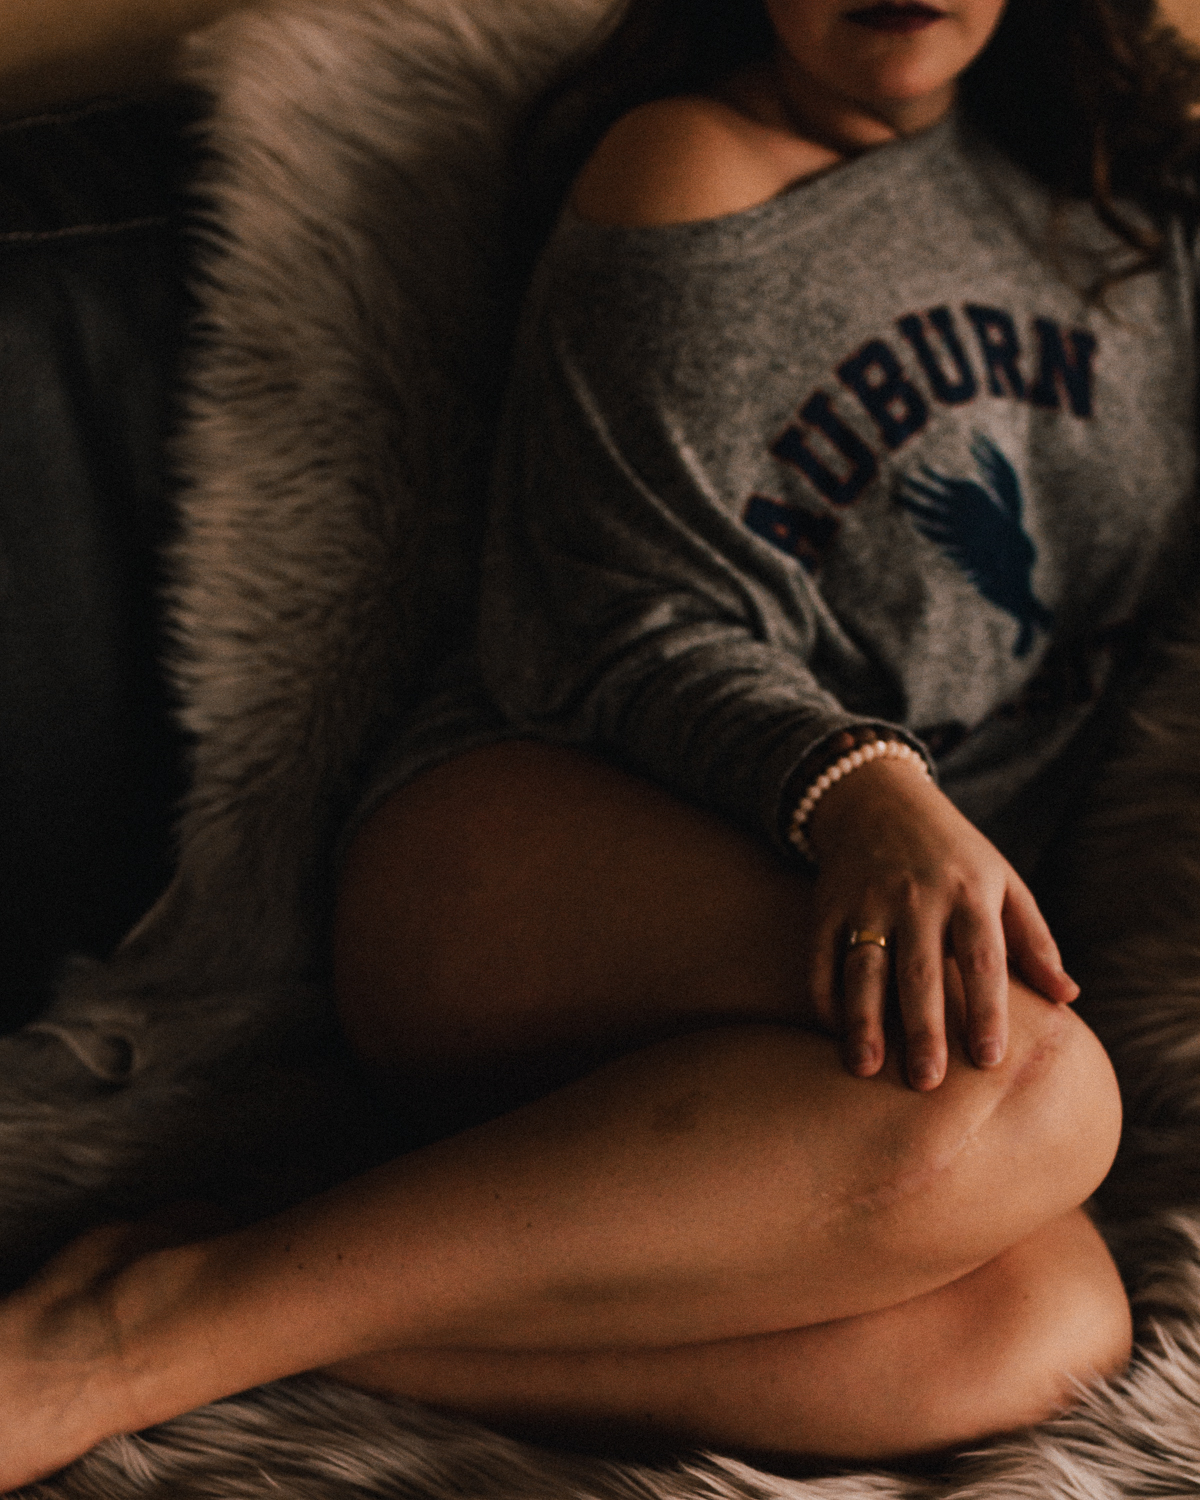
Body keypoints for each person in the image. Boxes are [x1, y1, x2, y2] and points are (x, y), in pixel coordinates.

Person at [11, 0, 1200, 1486]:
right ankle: (120, 1341)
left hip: (824, 1001)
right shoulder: (695, 169)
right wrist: (864, 791)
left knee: (1046, 1330)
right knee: (1034, 1090)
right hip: (526, 864)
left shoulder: (1125, 212)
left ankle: (228, 1298)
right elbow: (611, 625)